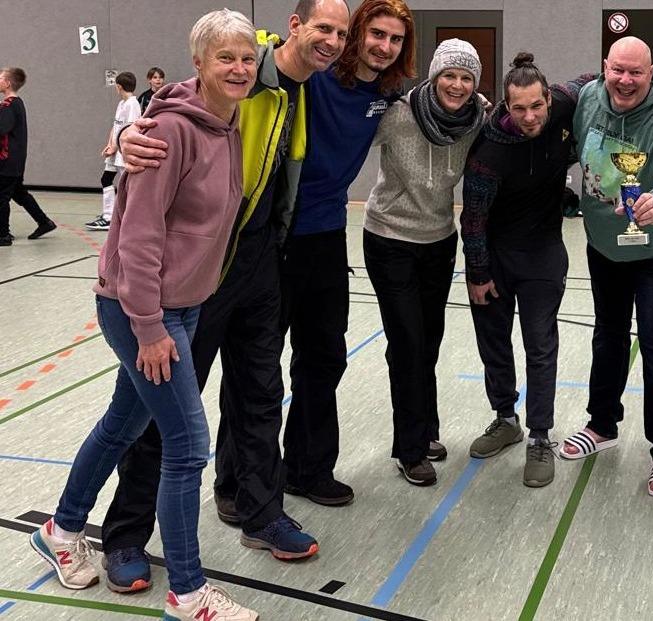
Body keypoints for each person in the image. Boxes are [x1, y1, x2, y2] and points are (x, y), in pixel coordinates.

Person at [100, 0, 349, 594]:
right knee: (163, 406)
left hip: (262, 259)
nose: (333, 41)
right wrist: (132, 132)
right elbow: (182, 98)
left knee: (261, 393)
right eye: (323, 28)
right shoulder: (247, 65)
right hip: (203, 267)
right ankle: (126, 534)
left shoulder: (302, 88)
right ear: (293, 27)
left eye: (342, 32)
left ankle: (262, 513)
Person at [28, 10, 260, 621]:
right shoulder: (169, 131)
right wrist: (149, 327)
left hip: (185, 304)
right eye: (225, 57)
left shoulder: (228, 123)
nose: (239, 68)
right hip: (141, 309)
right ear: (199, 63)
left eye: (247, 58)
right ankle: (188, 592)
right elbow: (137, 234)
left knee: (122, 425)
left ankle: (61, 529)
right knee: (187, 445)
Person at [281, 0, 416, 505]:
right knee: (257, 363)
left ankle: (308, 469)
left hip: (326, 235)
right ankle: (236, 481)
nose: (385, 46)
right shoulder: (312, 76)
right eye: (377, 34)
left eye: (396, 39)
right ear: (356, 33)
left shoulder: (388, 93)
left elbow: (442, 103)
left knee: (324, 357)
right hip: (274, 235)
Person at [562, 37, 653, 498]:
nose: (625, 80)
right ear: (605, 67)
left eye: (635, 72)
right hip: (603, 246)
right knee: (608, 335)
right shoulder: (588, 99)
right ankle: (602, 424)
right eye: (617, 70)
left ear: (650, 72)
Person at [461, 53, 593, 488]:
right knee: (494, 343)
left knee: (540, 347)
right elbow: (473, 219)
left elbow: (597, 77)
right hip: (496, 257)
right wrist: (478, 274)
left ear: (548, 98)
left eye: (537, 106)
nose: (530, 116)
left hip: (543, 256)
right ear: (506, 105)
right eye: (519, 108)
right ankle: (506, 418)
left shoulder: (564, 100)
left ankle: (539, 436)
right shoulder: (489, 150)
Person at [363, 38, 484, 486]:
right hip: (389, 239)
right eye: (449, 75)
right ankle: (410, 449)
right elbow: (350, 135)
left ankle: (425, 428)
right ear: (434, 77)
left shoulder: (476, 119)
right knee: (408, 344)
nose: (457, 85)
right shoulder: (398, 115)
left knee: (428, 341)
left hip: (439, 241)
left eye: (466, 77)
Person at [0, 67, 56, 246]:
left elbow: (2, 129)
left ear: (7, 83)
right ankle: (44, 222)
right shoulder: (17, 103)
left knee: (1, 196)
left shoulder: (8, 105)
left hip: (7, 159)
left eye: (0, 78)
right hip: (16, 158)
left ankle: (3, 235)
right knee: (18, 193)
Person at [86, 71, 141, 231]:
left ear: (119, 87)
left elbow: (128, 129)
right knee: (106, 179)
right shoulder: (121, 104)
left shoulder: (132, 104)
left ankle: (125, 217)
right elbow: (116, 126)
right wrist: (109, 144)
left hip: (123, 152)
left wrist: (116, 147)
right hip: (115, 150)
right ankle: (108, 216)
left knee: (127, 186)